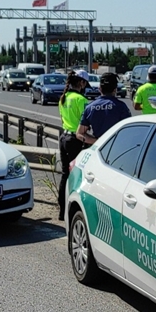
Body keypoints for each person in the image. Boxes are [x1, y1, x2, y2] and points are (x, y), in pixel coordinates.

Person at [56, 70, 91, 222]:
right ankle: (74, 210)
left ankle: (62, 210)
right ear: (81, 83)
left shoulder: (64, 98)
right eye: (84, 84)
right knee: (77, 175)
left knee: (65, 174)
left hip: (64, 137)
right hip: (76, 140)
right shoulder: (81, 100)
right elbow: (86, 122)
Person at [76, 73, 131, 146]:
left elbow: (80, 134)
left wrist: (98, 141)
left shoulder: (90, 107)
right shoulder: (121, 107)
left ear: (100, 89)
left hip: (98, 150)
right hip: (117, 148)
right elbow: (129, 131)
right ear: (115, 90)